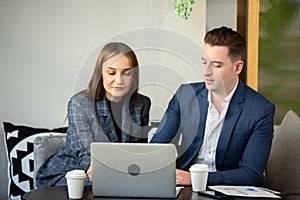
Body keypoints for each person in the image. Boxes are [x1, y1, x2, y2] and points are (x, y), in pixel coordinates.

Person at [151, 26, 275, 187]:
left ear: (237, 67)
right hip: (186, 188)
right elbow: (156, 148)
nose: (206, 72)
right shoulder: (185, 95)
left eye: (216, 65)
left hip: (230, 189)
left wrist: (197, 179)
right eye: (204, 62)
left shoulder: (260, 110)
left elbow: (251, 174)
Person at [36, 42, 151, 188]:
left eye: (126, 73)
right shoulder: (79, 104)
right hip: (72, 173)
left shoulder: (142, 103)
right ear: (100, 74)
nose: (119, 80)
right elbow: (85, 155)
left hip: (119, 174)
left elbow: (138, 151)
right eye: (111, 73)